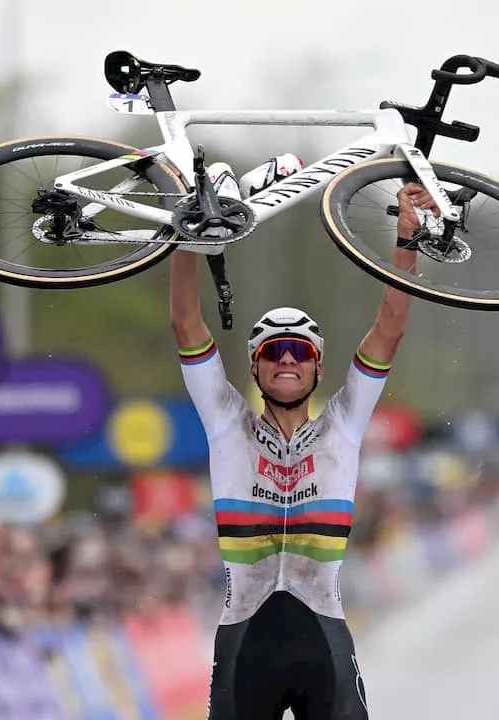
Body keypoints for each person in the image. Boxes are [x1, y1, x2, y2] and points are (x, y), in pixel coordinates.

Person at [170, 178, 436, 719]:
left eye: (299, 351)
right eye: (273, 351)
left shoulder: (344, 424)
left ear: (318, 366)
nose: (285, 360)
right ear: (254, 366)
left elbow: (390, 328)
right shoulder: (226, 423)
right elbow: (186, 323)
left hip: (324, 637)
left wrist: (407, 235)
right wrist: (185, 236)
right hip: (246, 643)